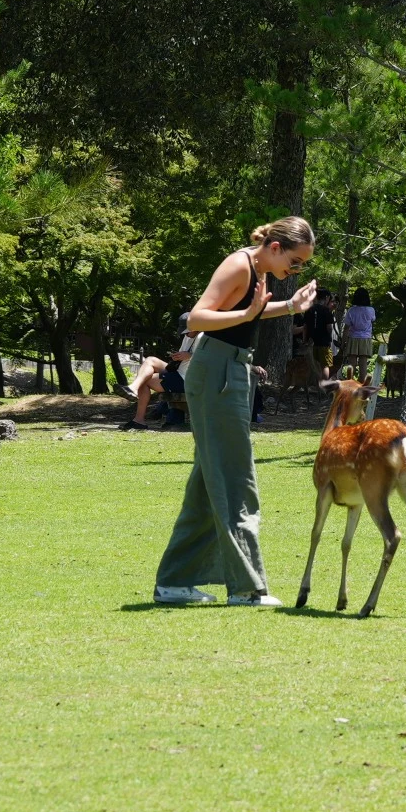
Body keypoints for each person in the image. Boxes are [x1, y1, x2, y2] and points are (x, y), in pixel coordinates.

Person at [153, 217, 318, 607]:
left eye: (301, 268)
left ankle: (175, 583)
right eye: (294, 263)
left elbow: (248, 315)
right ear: (275, 247)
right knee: (234, 477)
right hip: (217, 372)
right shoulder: (238, 265)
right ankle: (246, 587)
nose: (294, 272)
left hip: (231, 368)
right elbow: (195, 319)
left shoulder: (259, 271)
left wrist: (290, 306)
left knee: (208, 480)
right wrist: (248, 315)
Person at [339, 289, 378, 378]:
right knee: (363, 364)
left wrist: (343, 342)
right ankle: (362, 385)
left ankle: (350, 384)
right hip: (366, 338)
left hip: (353, 338)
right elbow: (373, 320)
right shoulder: (371, 310)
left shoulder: (351, 310)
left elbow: (346, 328)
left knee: (351, 364)